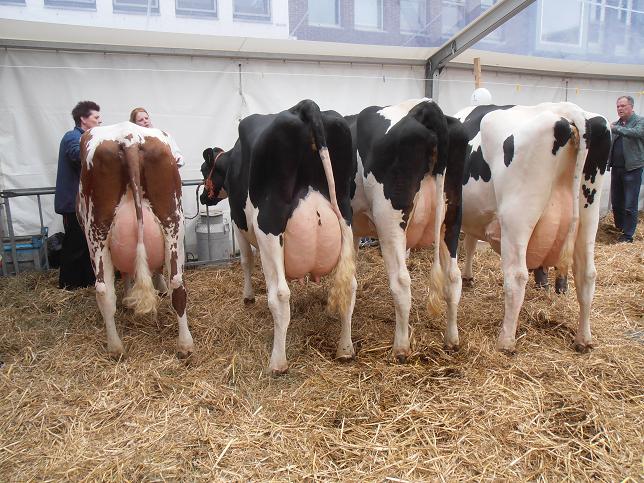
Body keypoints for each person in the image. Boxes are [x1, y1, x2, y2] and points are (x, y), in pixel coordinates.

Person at [54, 101, 101, 289]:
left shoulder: (85, 137)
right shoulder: (72, 137)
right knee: (74, 244)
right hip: (73, 203)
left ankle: (86, 282)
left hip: (83, 202)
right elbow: (77, 155)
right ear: (83, 119)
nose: (99, 120)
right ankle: (68, 284)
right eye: (96, 117)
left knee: (85, 243)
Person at [609, 95, 644, 243]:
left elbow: (636, 133)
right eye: (618, 106)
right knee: (617, 202)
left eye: (623, 106)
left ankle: (628, 235)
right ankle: (620, 228)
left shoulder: (639, 121)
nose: (619, 109)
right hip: (617, 168)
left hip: (632, 169)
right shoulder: (617, 123)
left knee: (630, 204)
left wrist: (616, 128)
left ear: (631, 106)